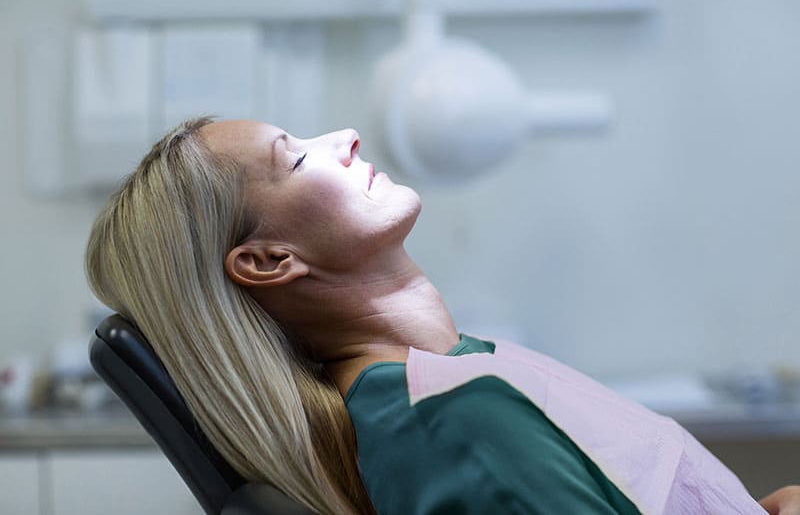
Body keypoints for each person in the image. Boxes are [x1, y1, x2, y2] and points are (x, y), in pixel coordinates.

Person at [85, 117, 799, 514]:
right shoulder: (448, 420)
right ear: (270, 260)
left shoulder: (451, 381)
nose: (347, 135)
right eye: (297, 158)